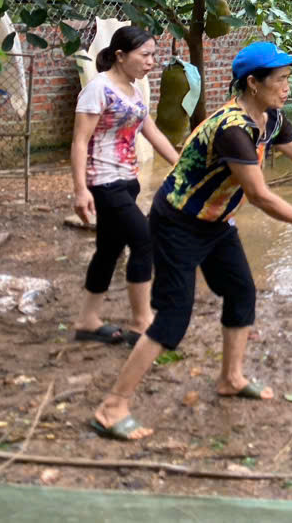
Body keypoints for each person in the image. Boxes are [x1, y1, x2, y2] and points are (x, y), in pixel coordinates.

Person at [90, 41, 292, 441]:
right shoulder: (232, 129)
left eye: (288, 79)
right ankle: (112, 406)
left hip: (216, 221)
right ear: (253, 83)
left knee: (241, 292)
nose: (286, 87)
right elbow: (260, 196)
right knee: (173, 319)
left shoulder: (270, 118)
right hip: (178, 222)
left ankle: (231, 377)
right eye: (280, 80)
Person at [71, 26, 181, 345]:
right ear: (120, 56)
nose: (150, 62)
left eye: (153, 56)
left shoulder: (134, 91)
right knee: (145, 240)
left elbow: (153, 133)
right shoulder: (98, 89)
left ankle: (87, 321)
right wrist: (80, 190)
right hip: (103, 182)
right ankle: (142, 322)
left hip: (127, 181)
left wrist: (183, 166)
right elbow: (80, 142)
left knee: (109, 250)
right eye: (144, 55)